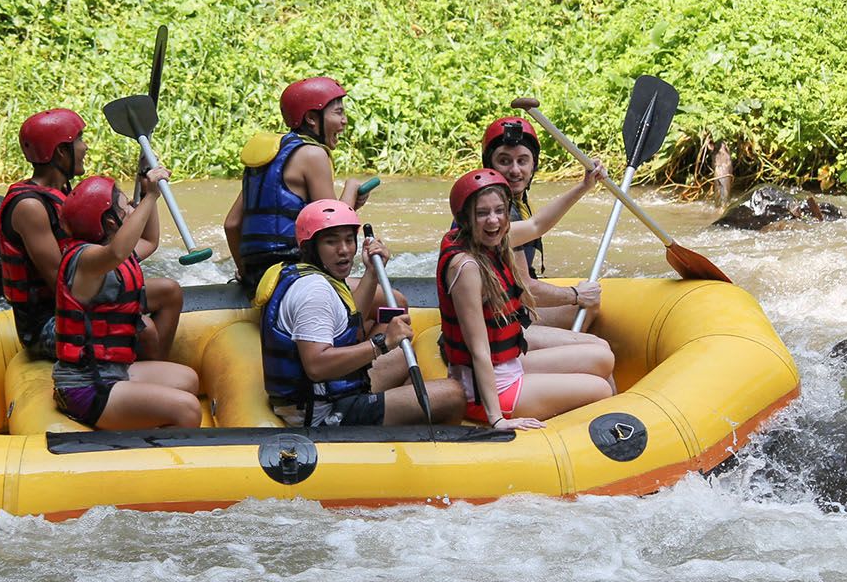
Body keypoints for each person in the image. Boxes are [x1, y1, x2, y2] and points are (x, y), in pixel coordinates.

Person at [256, 200, 464, 428]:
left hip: (326, 392)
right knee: (452, 394)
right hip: (320, 411)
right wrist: (381, 343)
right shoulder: (314, 292)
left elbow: (348, 329)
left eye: (348, 240)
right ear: (310, 246)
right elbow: (316, 366)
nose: (344, 250)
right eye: (331, 241)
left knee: (401, 355)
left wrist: (372, 272)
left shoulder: (313, 275)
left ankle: (396, 426)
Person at [0, 109, 183, 361]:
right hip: (49, 322)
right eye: (79, 140)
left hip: (87, 287)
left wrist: (145, 184)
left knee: (169, 291)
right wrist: (121, 307)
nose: (85, 147)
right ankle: (141, 381)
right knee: (143, 328)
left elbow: (147, 243)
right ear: (61, 151)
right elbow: (63, 284)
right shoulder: (29, 207)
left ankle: (157, 370)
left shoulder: (67, 195)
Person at [438, 170, 613, 431]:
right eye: (482, 213)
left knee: (603, 356)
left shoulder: (494, 238)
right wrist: (497, 419)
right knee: (600, 388)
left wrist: (584, 186)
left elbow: (537, 225)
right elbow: (479, 350)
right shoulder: (466, 268)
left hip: (509, 366)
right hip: (491, 390)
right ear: (465, 219)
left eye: (500, 210)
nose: (493, 220)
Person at [51, 170, 200, 429]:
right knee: (188, 409)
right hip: (86, 387)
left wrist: (146, 191)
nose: (133, 208)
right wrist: (151, 197)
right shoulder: (86, 259)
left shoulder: (112, 252)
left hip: (112, 371)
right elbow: (117, 252)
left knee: (188, 380)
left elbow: (149, 240)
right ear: (110, 224)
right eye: (126, 206)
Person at [224, 77, 374, 290]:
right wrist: (351, 188)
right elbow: (333, 225)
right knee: (395, 300)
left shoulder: (266, 157)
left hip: (260, 277)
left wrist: (248, 275)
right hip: (295, 277)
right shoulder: (313, 154)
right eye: (338, 112)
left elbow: (231, 224)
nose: (344, 121)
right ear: (312, 118)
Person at [481, 116, 606, 343]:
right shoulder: (495, 212)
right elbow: (525, 287)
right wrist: (575, 295)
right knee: (593, 330)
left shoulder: (510, 202)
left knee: (591, 306)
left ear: (534, 165)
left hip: (506, 312)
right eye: (504, 161)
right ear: (489, 165)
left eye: (522, 161)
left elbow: (536, 225)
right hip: (495, 325)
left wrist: (584, 186)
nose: (515, 170)